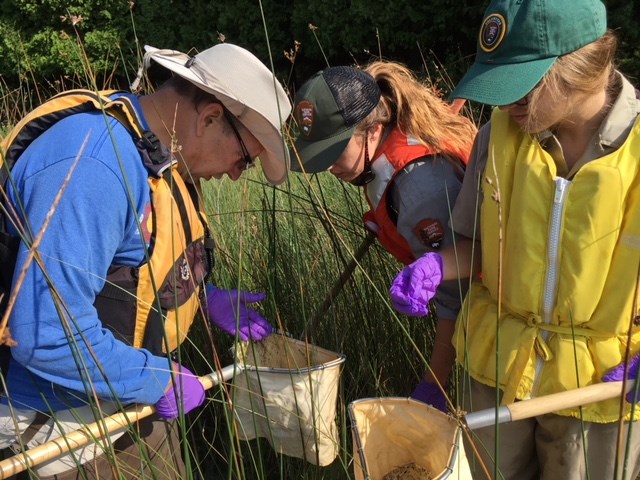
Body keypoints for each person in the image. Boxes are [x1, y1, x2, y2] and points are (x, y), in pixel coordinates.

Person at [0, 43, 291, 478]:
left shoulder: (150, 152)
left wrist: (201, 297)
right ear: (210, 117)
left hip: (117, 393)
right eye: (245, 159)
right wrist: (155, 379)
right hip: (55, 425)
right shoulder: (96, 162)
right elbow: (45, 331)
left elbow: (127, 267)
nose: (235, 173)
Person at [390, 0, 640, 478]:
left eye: (522, 91)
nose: (506, 105)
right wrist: (438, 265)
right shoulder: (497, 136)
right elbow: (479, 245)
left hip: (600, 392)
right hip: (496, 372)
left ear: (582, 66)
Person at [290, 61, 477, 411]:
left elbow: (460, 297)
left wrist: (434, 383)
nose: (327, 166)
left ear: (372, 129)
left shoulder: (420, 188)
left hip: (488, 324)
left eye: (333, 151)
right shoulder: (392, 137)